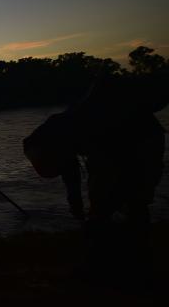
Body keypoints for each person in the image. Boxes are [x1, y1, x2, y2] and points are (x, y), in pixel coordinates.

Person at [24, 78, 165, 284]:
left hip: (140, 143)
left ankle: (120, 265)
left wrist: (93, 203)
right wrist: (75, 199)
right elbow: (69, 165)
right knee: (111, 205)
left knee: (124, 202)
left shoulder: (73, 127)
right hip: (119, 145)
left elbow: (82, 167)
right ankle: (124, 261)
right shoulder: (62, 131)